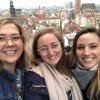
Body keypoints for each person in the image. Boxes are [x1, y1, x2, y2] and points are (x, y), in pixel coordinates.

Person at [24, 27, 83, 100]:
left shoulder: (69, 67)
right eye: (43, 49)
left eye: (54, 45)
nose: (51, 53)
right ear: (38, 53)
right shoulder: (33, 79)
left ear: (61, 45)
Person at [70, 27, 100, 100]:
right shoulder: (65, 74)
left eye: (93, 46)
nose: (86, 53)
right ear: (75, 51)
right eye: (80, 47)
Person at [0, 18, 25, 100]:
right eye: (1, 38)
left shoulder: (26, 72)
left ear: (22, 41)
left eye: (15, 37)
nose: (10, 44)